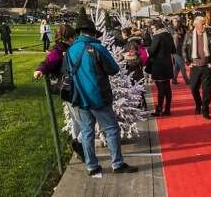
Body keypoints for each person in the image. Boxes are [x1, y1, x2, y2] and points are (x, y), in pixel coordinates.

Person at [66, 19, 138, 176]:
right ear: (93, 33)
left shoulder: (71, 50)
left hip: (79, 97)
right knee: (111, 129)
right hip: (98, 97)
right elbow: (113, 69)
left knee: (87, 132)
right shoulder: (97, 48)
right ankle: (117, 163)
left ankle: (92, 166)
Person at [34, 24, 85, 163]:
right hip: (71, 90)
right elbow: (47, 62)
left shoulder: (70, 48)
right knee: (80, 121)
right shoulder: (59, 51)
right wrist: (40, 70)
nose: (75, 39)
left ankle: (79, 146)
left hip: (76, 89)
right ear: (67, 38)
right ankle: (79, 146)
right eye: (73, 37)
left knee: (77, 120)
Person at [183, 16, 211, 119]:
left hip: (206, 66)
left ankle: (205, 110)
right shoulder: (189, 34)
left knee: (207, 90)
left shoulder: (210, 33)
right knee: (193, 87)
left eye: (205, 23)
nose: (204, 25)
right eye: (202, 23)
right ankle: (198, 103)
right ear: (196, 24)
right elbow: (184, 48)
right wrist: (187, 62)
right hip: (195, 66)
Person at [149, 19, 176, 116]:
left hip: (159, 66)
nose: (152, 30)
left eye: (152, 28)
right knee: (167, 88)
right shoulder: (168, 35)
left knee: (160, 89)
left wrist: (148, 48)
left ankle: (159, 109)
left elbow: (151, 51)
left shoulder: (157, 36)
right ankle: (167, 109)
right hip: (168, 64)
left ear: (156, 27)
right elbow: (174, 49)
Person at [124, 38, 147, 111]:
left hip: (138, 77)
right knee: (131, 93)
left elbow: (137, 63)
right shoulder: (125, 59)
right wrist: (125, 59)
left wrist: (128, 59)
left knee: (140, 93)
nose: (131, 51)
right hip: (129, 78)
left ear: (136, 50)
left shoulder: (138, 57)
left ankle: (143, 105)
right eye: (129, 49)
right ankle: (135, 106)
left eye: (133, 49)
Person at [171, 17, 189, 85]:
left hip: (181, 49)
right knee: (182, 66)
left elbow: (185, 36)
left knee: (177, 66)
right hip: (175, 50)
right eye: (174, 22)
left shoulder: (182, 28)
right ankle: (186, 80)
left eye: (177, 21)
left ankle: (174, 79)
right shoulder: (171, 29)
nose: (176, 23)